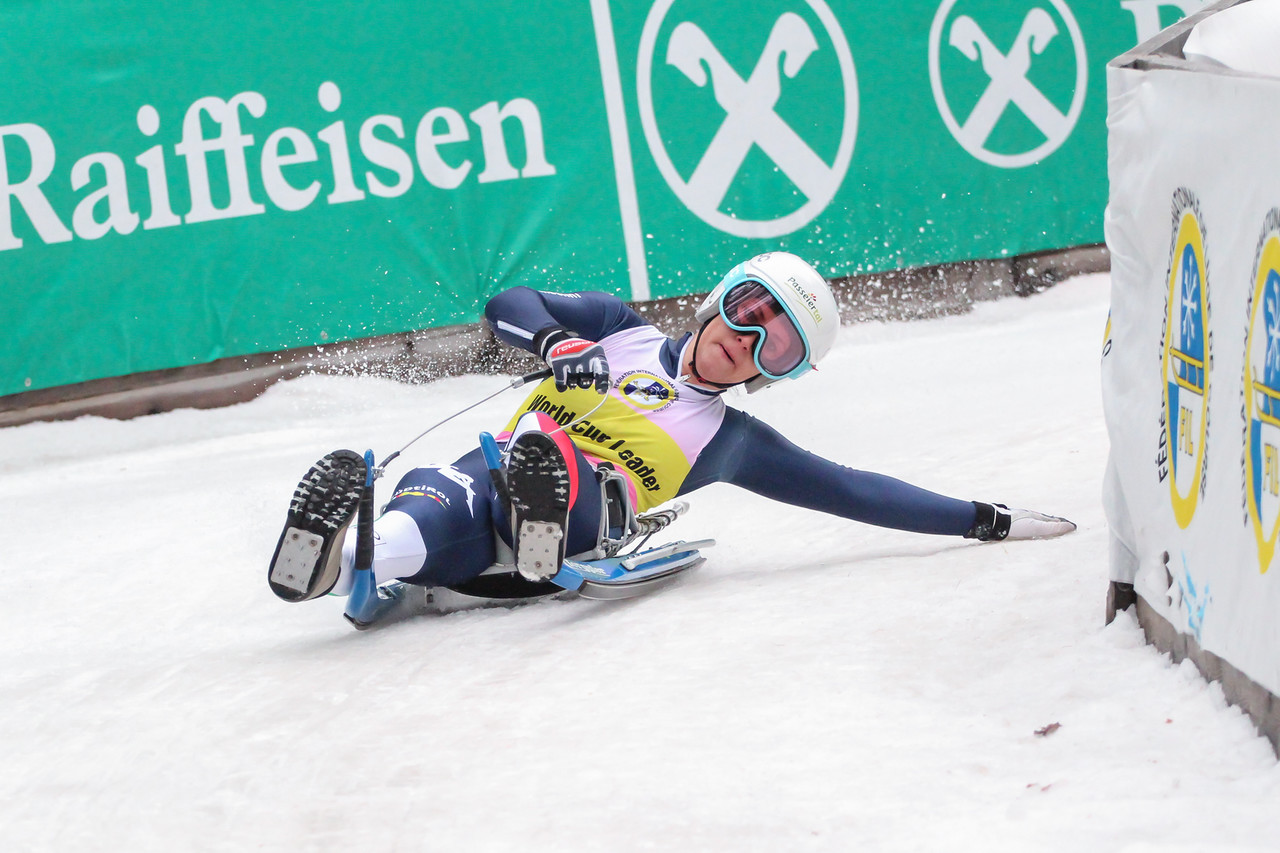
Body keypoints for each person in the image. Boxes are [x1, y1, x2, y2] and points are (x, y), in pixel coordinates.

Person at [267, 252, 1075, 605]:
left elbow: (851, 491)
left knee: (555, 465)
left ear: (775, 375)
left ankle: (540, 519)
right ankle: (338, 564)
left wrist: (982, 518)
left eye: (776, 343)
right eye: (751, 310)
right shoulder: (616, 330)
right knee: (436, 500)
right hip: (492, 480)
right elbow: (508, 304)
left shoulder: (731, 441)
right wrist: (559, 344)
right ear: (720, 296)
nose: (746, 339)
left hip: (585, 515)